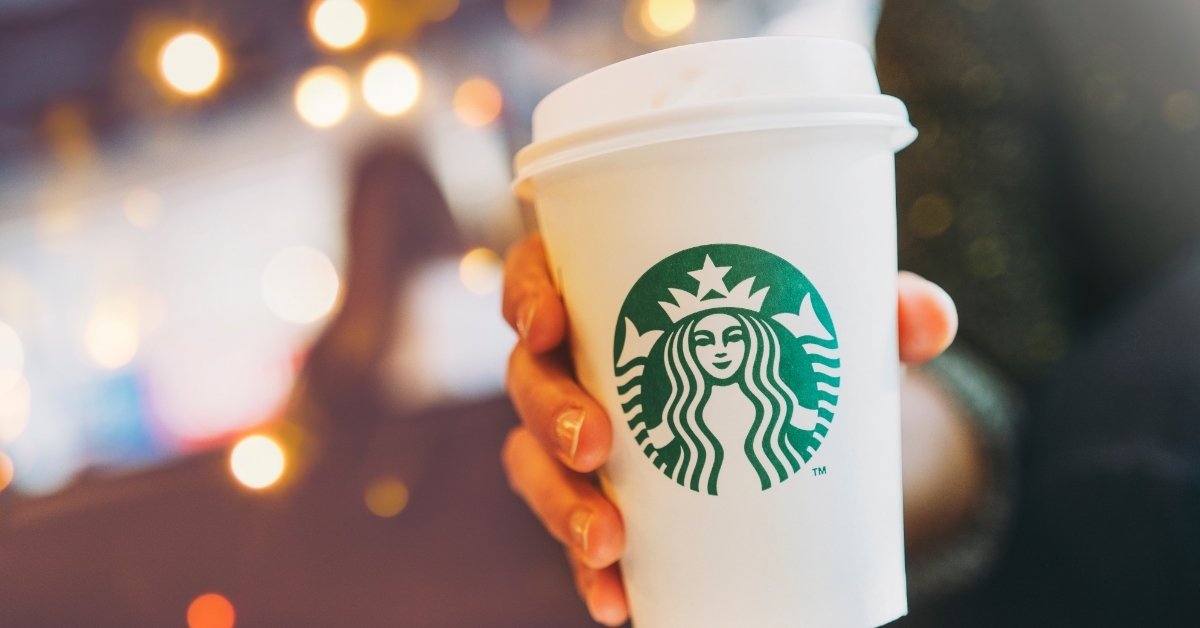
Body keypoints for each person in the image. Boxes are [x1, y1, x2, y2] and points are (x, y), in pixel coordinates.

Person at [500, 233, 959, 626]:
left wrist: (873, 427)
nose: (719, 350)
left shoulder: (787, 413)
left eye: (733, 337)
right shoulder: (674, 425)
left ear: (756, 339)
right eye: (703, 339)